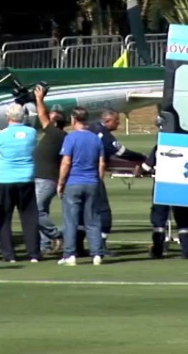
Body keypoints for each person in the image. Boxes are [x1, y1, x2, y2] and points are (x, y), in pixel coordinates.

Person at [87, 109, 146, 254]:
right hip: (92, 176)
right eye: (116, 120)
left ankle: (77, 246)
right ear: (107, 121)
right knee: (104, 212)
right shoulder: (105, 136)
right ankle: (100, 246)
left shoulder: (91, 128)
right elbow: (122, 153)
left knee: (83, 211)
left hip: (76, 177)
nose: (118, 123)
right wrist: (143, 158)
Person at [0, 103, 41, 263]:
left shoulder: (1, 134)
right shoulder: (31, 132)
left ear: (7, 117)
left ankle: (8, 254)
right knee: (29, 216)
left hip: (6, 179)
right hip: (26, 177)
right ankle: (33, 252)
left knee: (4, 218)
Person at [57, 106, 106, 266]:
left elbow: (66, 162)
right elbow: (101, 163)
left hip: (74, 182)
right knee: (93, 220)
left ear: (73, 119)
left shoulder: (70, 138)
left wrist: (60, 182)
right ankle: (97, 254)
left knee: (70, 221)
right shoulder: (96, 138)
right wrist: (98, 180)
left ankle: (70, 254)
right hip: (91, 182)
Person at [141, 144, 188, 259]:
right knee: (183, 219)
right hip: (181, 187)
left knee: (159, 221)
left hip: (162, 187)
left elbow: (146, 167)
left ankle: (157, 250)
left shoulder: (161, 145)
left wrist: (140, 171)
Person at [32, 86, 65, 254]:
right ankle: (44, 245)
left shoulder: (55, 133)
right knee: (42, 211)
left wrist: (39, 100)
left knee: (36, 210)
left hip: (46, 179)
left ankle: (56, 235)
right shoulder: (56, 135)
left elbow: (42, 115)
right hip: (43, 178)